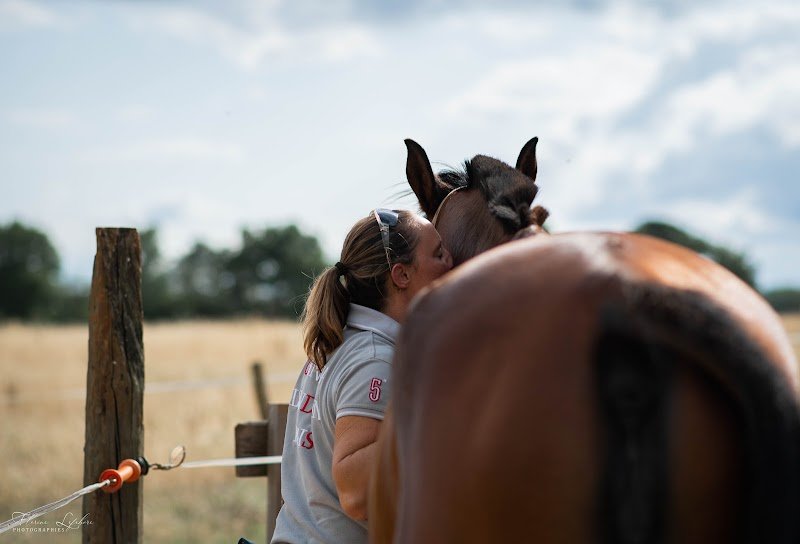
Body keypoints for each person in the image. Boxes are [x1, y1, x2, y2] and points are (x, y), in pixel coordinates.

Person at [270, 209, 453, 544]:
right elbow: (356, 495)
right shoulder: (376, 359)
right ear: (401, 275)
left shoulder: (339, 343)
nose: (451, 262)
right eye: (439, 253)